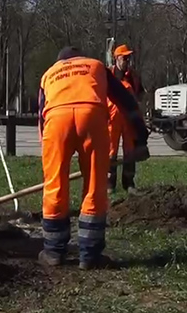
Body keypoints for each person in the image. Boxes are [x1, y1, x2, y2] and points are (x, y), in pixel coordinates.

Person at [37, 46, 149, 270]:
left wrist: (48, 148)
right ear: (80, 57)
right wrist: (140, 138)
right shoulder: (96, 66)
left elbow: (41, 113)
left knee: (55, 184)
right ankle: (89, 255)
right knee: (95, 184)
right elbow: (126, 101)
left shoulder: (49, 73)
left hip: (56, 121)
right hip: (92, 116)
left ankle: (53, 252)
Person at [107, 44, 146, 195]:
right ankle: (110, 184)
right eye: (124, 58)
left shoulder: (134, 76)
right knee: (111, 152)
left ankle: (129, 183)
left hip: (129, 119)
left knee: (130, 151)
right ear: (117, 58)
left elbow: (140, 94)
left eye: (129, 57)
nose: (127, 60)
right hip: (112, 119)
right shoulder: (108, 74)